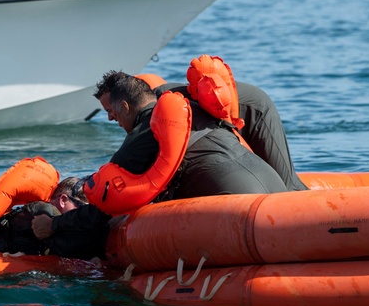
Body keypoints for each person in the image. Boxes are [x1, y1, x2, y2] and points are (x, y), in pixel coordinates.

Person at [32, 71, 291, 256]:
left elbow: (101, 210)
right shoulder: (191, 103)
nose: (110, 118)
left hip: (239, 204)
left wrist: (54, 225)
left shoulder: (140, 139)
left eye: (111, 111)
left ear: (124, 105)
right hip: (274, 185)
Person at [157, 80, 309, 191]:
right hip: (241, 109)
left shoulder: (157, 108)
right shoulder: (162, 101)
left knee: (289, 186)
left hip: (255, 110)